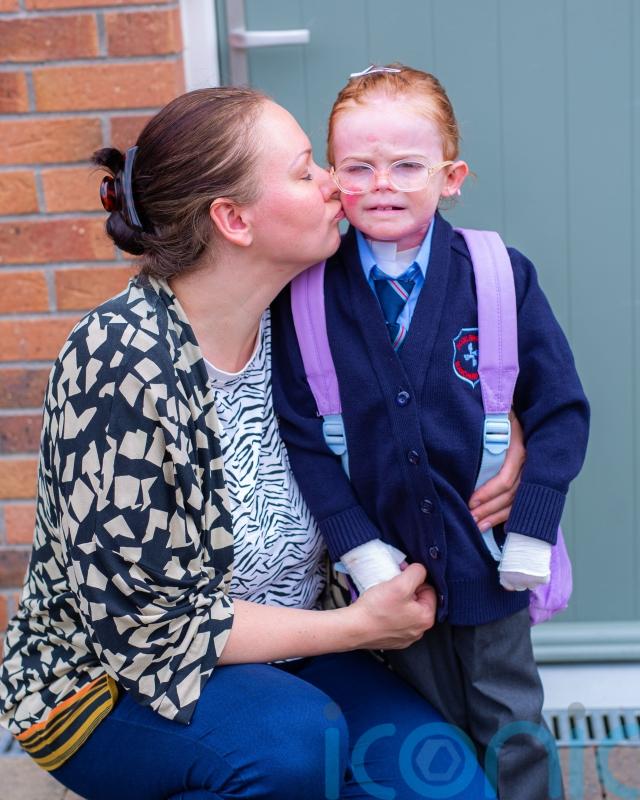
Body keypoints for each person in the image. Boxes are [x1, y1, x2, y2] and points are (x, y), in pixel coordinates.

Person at [0, 87, 524, 800]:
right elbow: (155, 627)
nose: (337, 183)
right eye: (307, 171)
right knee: (294, 746)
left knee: (446, 781)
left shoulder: (305, 320)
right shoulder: (120, 361)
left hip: (294, 654)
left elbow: (443, 368)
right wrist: (356, 627)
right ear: (234, 219)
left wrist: (509, 436)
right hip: (111, 685)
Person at [271, 65, 590, 800]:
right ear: (332, 179)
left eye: (408, 165)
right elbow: (304, 435)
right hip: (387, 580)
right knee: (428, 739)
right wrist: (360, 549)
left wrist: (533, 526)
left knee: (511, 727)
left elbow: (560, 408)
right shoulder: (307, 295)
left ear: (451, 177)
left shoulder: (499, 276)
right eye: (359, 166)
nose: (383, 183)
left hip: (488, 565)